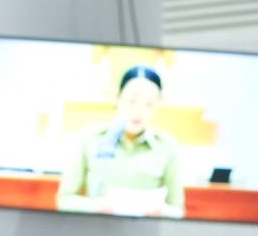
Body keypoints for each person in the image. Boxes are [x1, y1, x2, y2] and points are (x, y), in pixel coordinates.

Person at [57, 65, 185, 219]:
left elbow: (177, 210)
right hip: (98, 232)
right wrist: (96, 207)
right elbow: (64, 201)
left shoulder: (167, 147)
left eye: (149, 104)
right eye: (132, 101)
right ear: (118, 99)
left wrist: (161, 211)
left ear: (158, 105)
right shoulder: (91, 139)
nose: (139, 110)